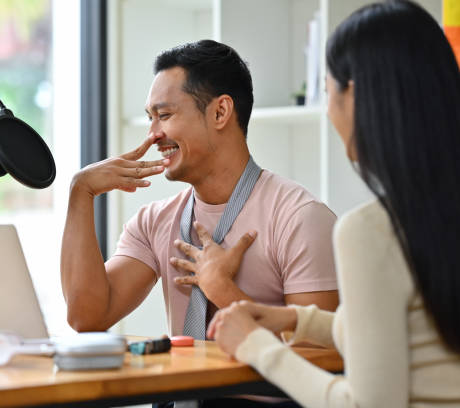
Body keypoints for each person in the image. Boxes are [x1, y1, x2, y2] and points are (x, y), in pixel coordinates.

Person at [196, 1, 460, 407]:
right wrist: (300, 320)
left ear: (352, 95)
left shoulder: (372, 231)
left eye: (326, 88)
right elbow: (419, 330)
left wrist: (258, 349)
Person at [61, 39, 339, 343]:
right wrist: (80, 193)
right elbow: (86, 317)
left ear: (220, 112)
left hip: (263, 393)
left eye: (164, 115)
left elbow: (319, 357)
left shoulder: (300, 218)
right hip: (179, 391)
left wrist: (223, 290)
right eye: (150, 117)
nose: (153, 135)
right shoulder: (153, 222)